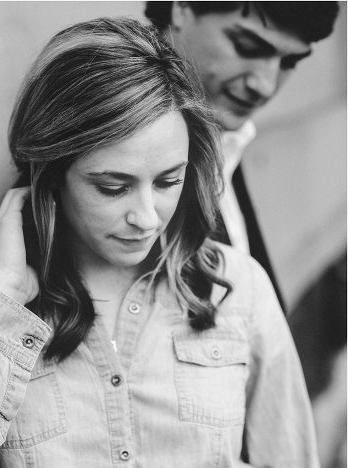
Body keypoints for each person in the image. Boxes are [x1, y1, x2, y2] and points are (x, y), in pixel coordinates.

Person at [0, 17, 341, 468]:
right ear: (51, 172)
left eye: (168, 181)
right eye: (113, 187)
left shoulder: (238, 289)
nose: (146, 218)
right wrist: (2, 305)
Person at [144, 1, 340, 311]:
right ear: (181, 7)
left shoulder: (222, 133)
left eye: (290, 62)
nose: (265, 85)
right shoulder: (114, 129)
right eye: (247, 46)